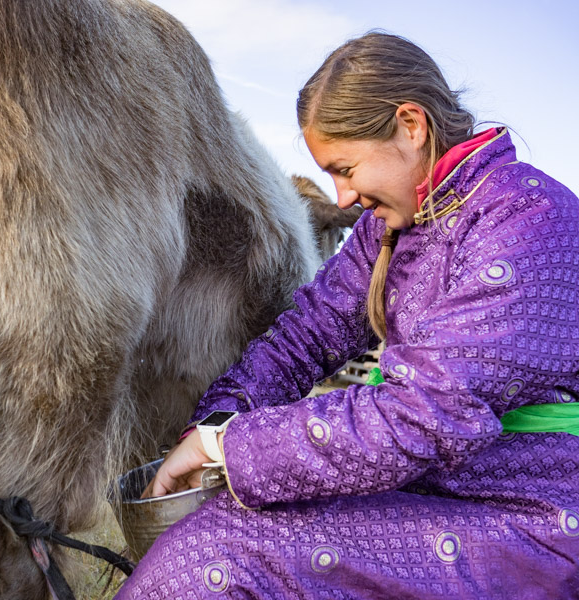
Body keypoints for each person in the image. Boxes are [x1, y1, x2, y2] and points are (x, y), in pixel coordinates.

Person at [116, 32, 579, 599]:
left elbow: (423, 416)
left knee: (217, 554)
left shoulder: (529, 222)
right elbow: (304, 336)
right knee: (224, 530)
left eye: (346, 167)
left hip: (528, 513)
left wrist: (227, 449)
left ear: (412, 126)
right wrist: (217, 419)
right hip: (429, 488)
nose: (340, 198)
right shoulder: (386, 231)